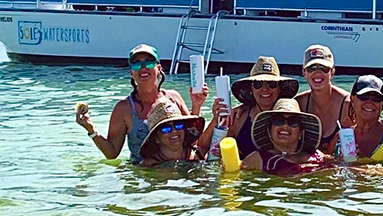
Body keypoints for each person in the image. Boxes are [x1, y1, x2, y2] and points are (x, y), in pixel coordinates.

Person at [75, 44, 209, 164]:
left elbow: (192, 139)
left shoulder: (173, 97)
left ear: (159, 68)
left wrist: (197, 105)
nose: (143, 68)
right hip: (144, 172)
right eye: (136, 64)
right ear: (131, 73)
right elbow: (112, 154)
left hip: (179, 166)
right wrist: (90, 128)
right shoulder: (124, 109)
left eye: (149, 63)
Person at [200, 56, 299, 159]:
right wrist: (216, 119)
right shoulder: (238, 117)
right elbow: (202, 147)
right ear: (251, 89)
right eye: (258, 84)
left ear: (279, 88)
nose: (265, 89)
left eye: (271, 84)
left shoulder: (292, 115)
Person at [240, 98, 325, 174]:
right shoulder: (257, 159)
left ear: (300, 133)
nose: (285, 126)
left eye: (293, 121)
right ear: (270, 130)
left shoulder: (317, 157)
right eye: (278, 121)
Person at [295, 44, 351, 152]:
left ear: (332, 73)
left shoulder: (347, 104)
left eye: (324, 68)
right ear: (304, 73)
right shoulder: (299, 103)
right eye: (312, 68)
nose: (317, 73)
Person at [327, 75, 383, 159]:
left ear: (382, 104)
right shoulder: (340, 139)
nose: (370, 102)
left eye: (376, 98)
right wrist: (340, 162)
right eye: (364, 96)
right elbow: (328, 166)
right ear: (352, 99)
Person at [139, 99, 205, 166]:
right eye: (166, 128)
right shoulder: (149, 165)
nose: (174, 131)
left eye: (178, 125)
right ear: (156, 138)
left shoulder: (197, 154)